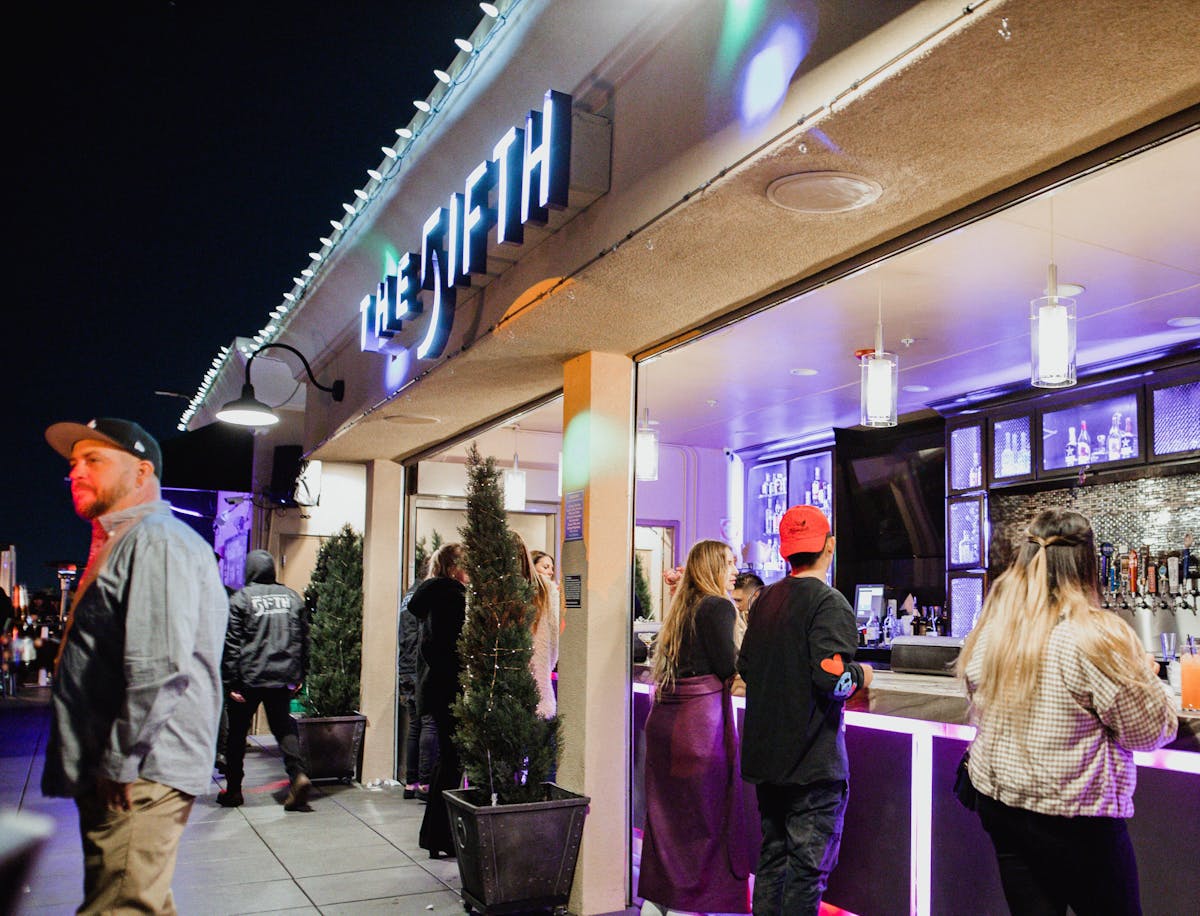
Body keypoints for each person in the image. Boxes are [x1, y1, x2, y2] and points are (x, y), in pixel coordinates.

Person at [41, 417, 227, 914]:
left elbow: (159, 664)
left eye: (94, 460)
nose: (77, 472)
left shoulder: (157, 540)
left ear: (142, 471)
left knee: (118, 906)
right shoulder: (129, 542)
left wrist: (121, 761)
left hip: (140, 770)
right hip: (127, 766)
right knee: (138, 898)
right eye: (74, 464)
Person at [955, 508, 1177, 915]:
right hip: (1076, 825)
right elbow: (1151, 732)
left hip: (1003, 811)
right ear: (1087, 563)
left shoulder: (990, 631)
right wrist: (1145, 675)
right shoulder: (1096, 636)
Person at [738, 505, 873, 915]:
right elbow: (834, 680)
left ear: (785, 552)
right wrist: (862, 673)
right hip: (811, 766)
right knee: (806, 873)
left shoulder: (765, 601)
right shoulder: (829, 604)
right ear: (829, 546)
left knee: (773, 862)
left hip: (768, 761)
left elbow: (746, 666)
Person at [638, 539, 751, 915]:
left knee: (669, 825)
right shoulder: (718, 606)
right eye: (730, 562)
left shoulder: (683, 606)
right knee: (703, 824)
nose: (736, 569)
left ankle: (658, 905)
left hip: (666, 724)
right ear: (713, 567)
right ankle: (690, 906)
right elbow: (727, 665)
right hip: (699, 727)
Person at [218, 549, 312, 810]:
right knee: (284, 729)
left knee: (237, 734)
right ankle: (298, 776)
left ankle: (234, 790)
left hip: (248, 679)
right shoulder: (292, 598)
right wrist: (300, 673)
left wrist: (231, 683)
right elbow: (303, 639)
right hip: (281, 677)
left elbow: (232, 644)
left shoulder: (241, 599)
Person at [410, 542, 469, 859]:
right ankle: (440, 835)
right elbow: (448, 647)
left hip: (436, 687)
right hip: (449, 688)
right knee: (451, 761)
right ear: (454, 568)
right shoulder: (452, 596)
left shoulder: (433, 594)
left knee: (446, 761)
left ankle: (434, 835)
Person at [398, 554, 438, 800]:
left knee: (415, 725)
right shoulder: (426, 596)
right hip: (418, 667)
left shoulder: (408, 595)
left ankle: (410, 781)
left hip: (405, 667)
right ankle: (425, 783)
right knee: (429, 723)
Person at [516, 536, 560, 720]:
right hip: (537, 674)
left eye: (551, 567)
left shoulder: (490, 589)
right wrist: (550, 663)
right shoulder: (546, 590)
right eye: (545, 566)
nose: (550, 571)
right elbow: (555, 631)